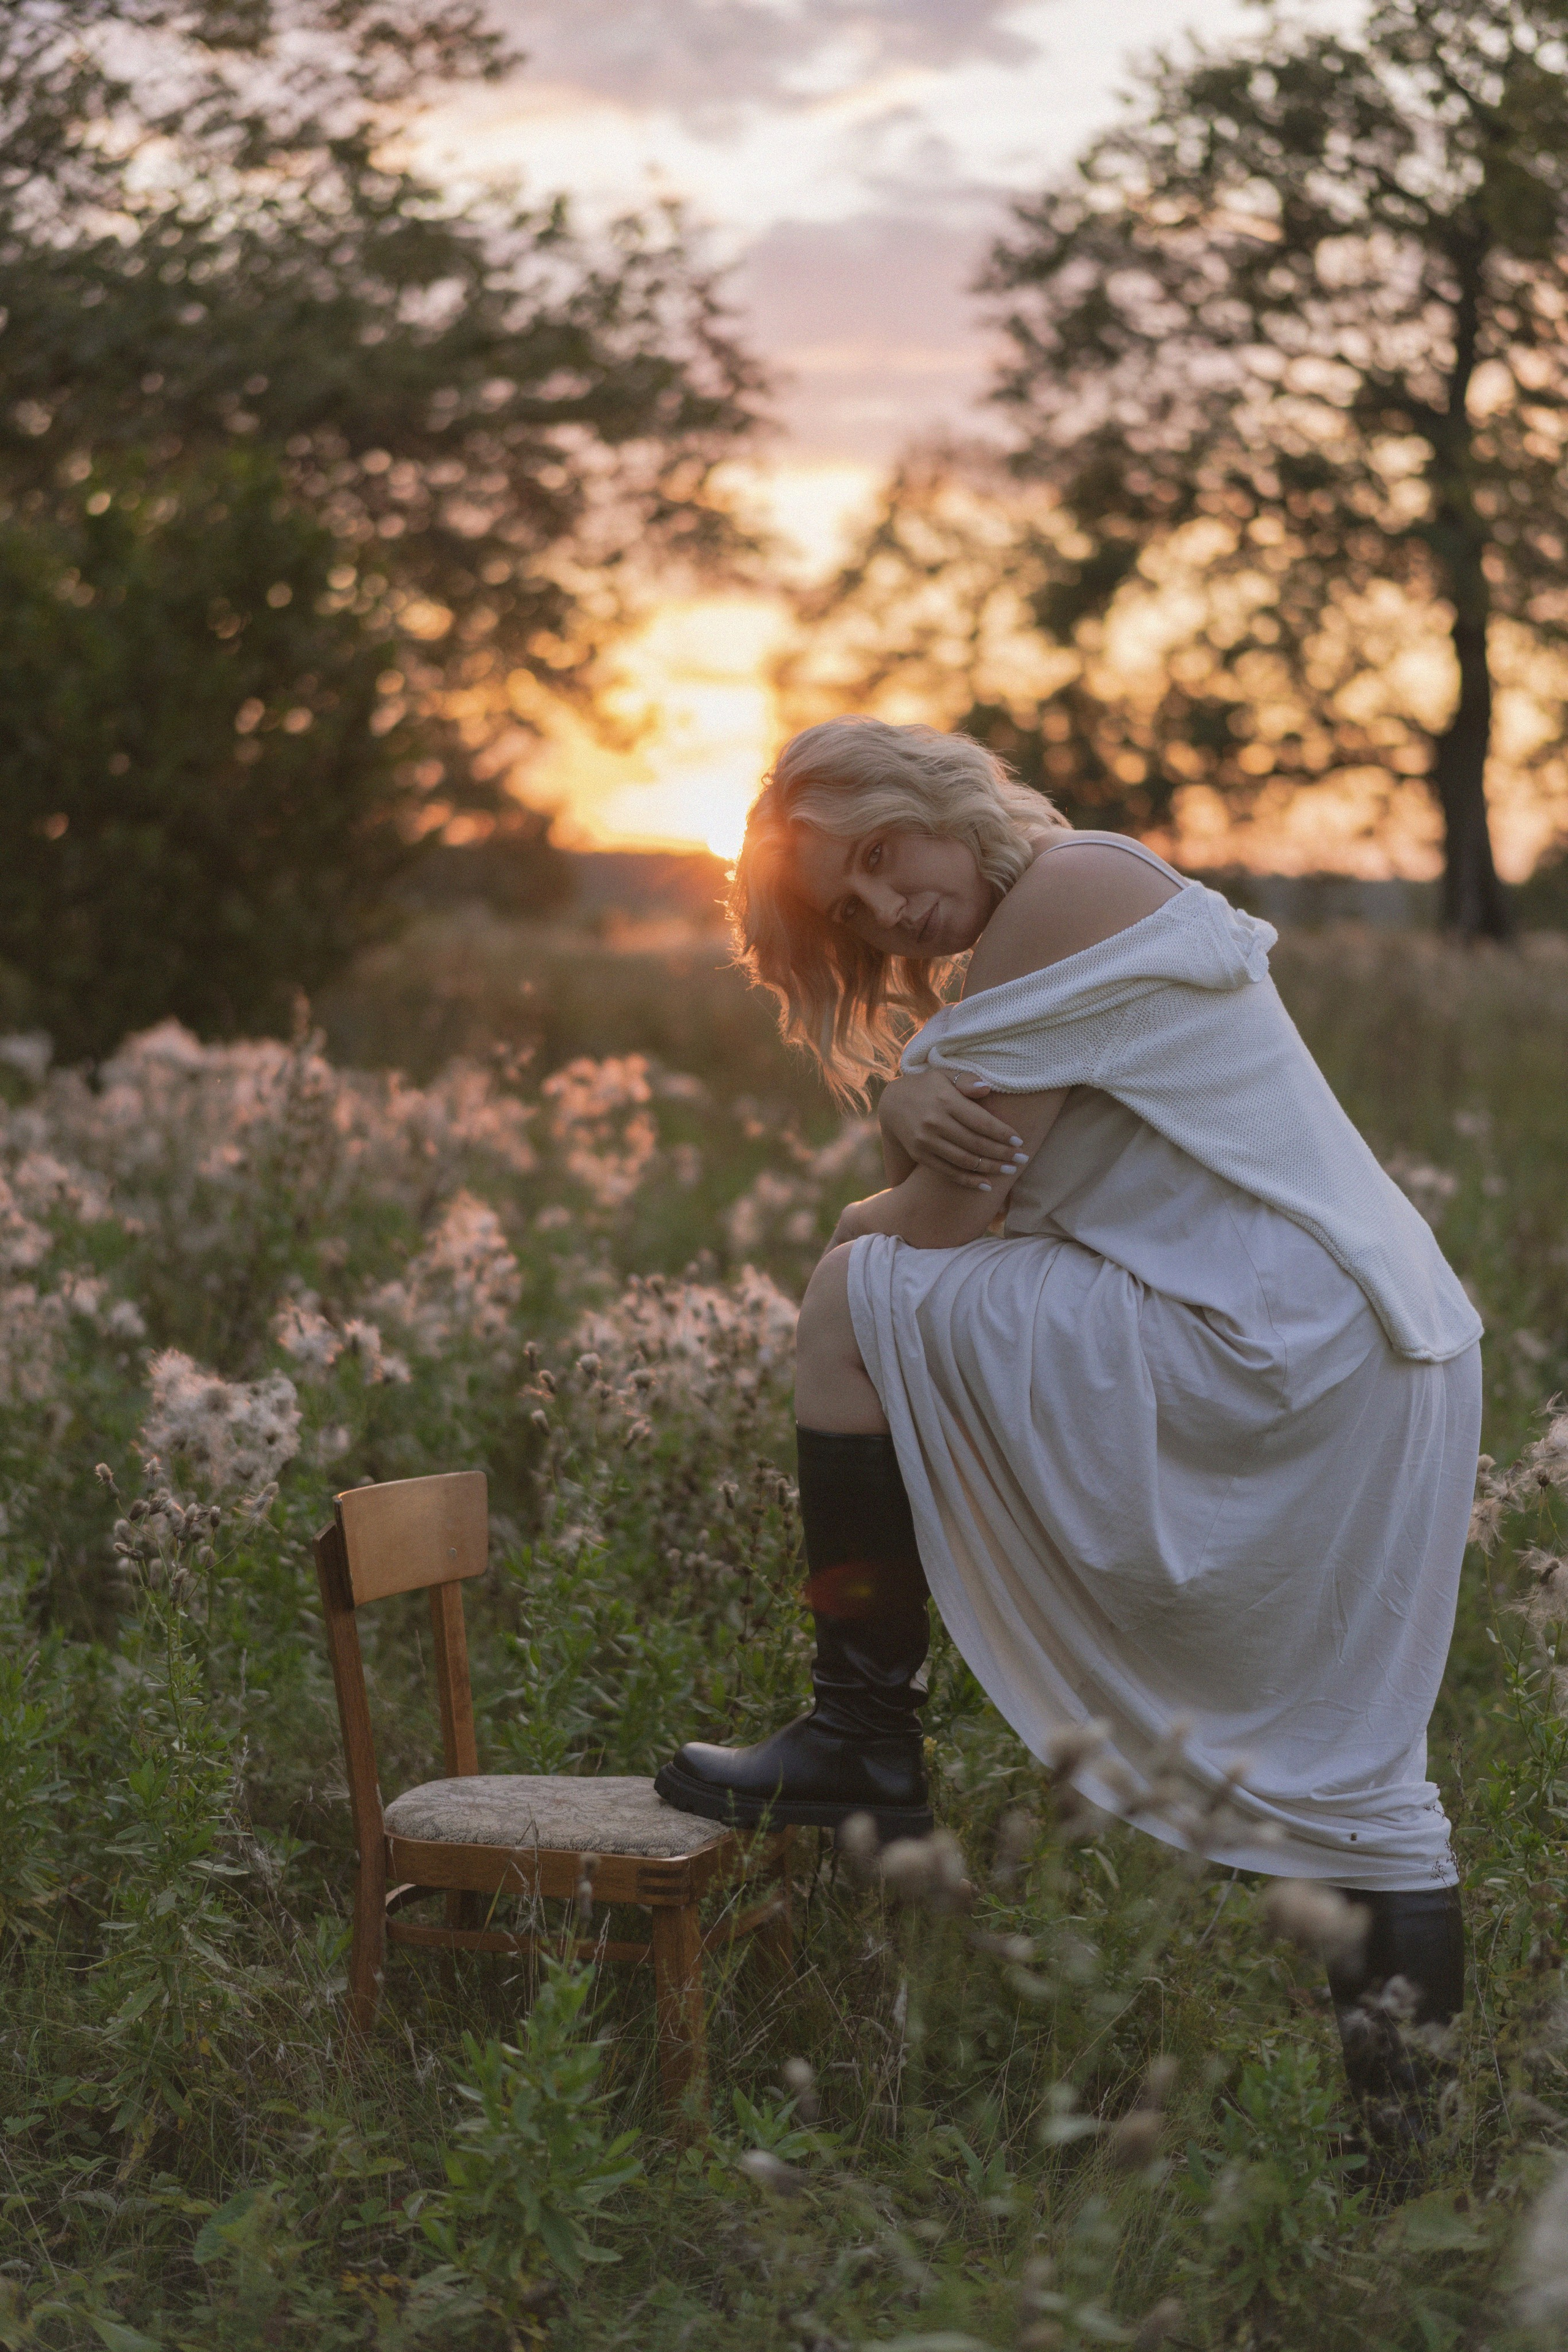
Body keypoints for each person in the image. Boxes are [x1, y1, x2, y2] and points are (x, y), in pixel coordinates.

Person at [653, 716, 1480, 2137]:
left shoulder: (1063, 891)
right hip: (1366, 1340)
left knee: (852, 1292)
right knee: (1357, 1776)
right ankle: (1402, 2163)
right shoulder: (1052, 912)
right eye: (850, 910)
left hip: (1277, 1335)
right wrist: (915, 1097)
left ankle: (862, 1735)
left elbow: (943, 1219)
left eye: (882, 855)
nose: (887, 906)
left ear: (936, 796)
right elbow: (994, 1190)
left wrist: (879, 1164)